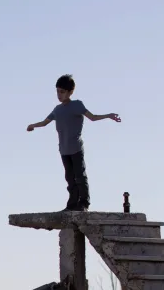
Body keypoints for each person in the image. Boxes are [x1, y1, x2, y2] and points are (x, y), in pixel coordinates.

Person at [26, 74, 121, 211]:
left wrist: (108, 116)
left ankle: (83, 203)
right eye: (58, 91)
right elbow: (44, 122)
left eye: (62, 92)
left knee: (80, 176)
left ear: (70, 92)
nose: (59, 95)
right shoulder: (57, 110)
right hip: (63, 149)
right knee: (70, 178)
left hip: (76, 148)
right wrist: (32, 125)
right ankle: (72, 204)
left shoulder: (77, 105)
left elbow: (92, 117)